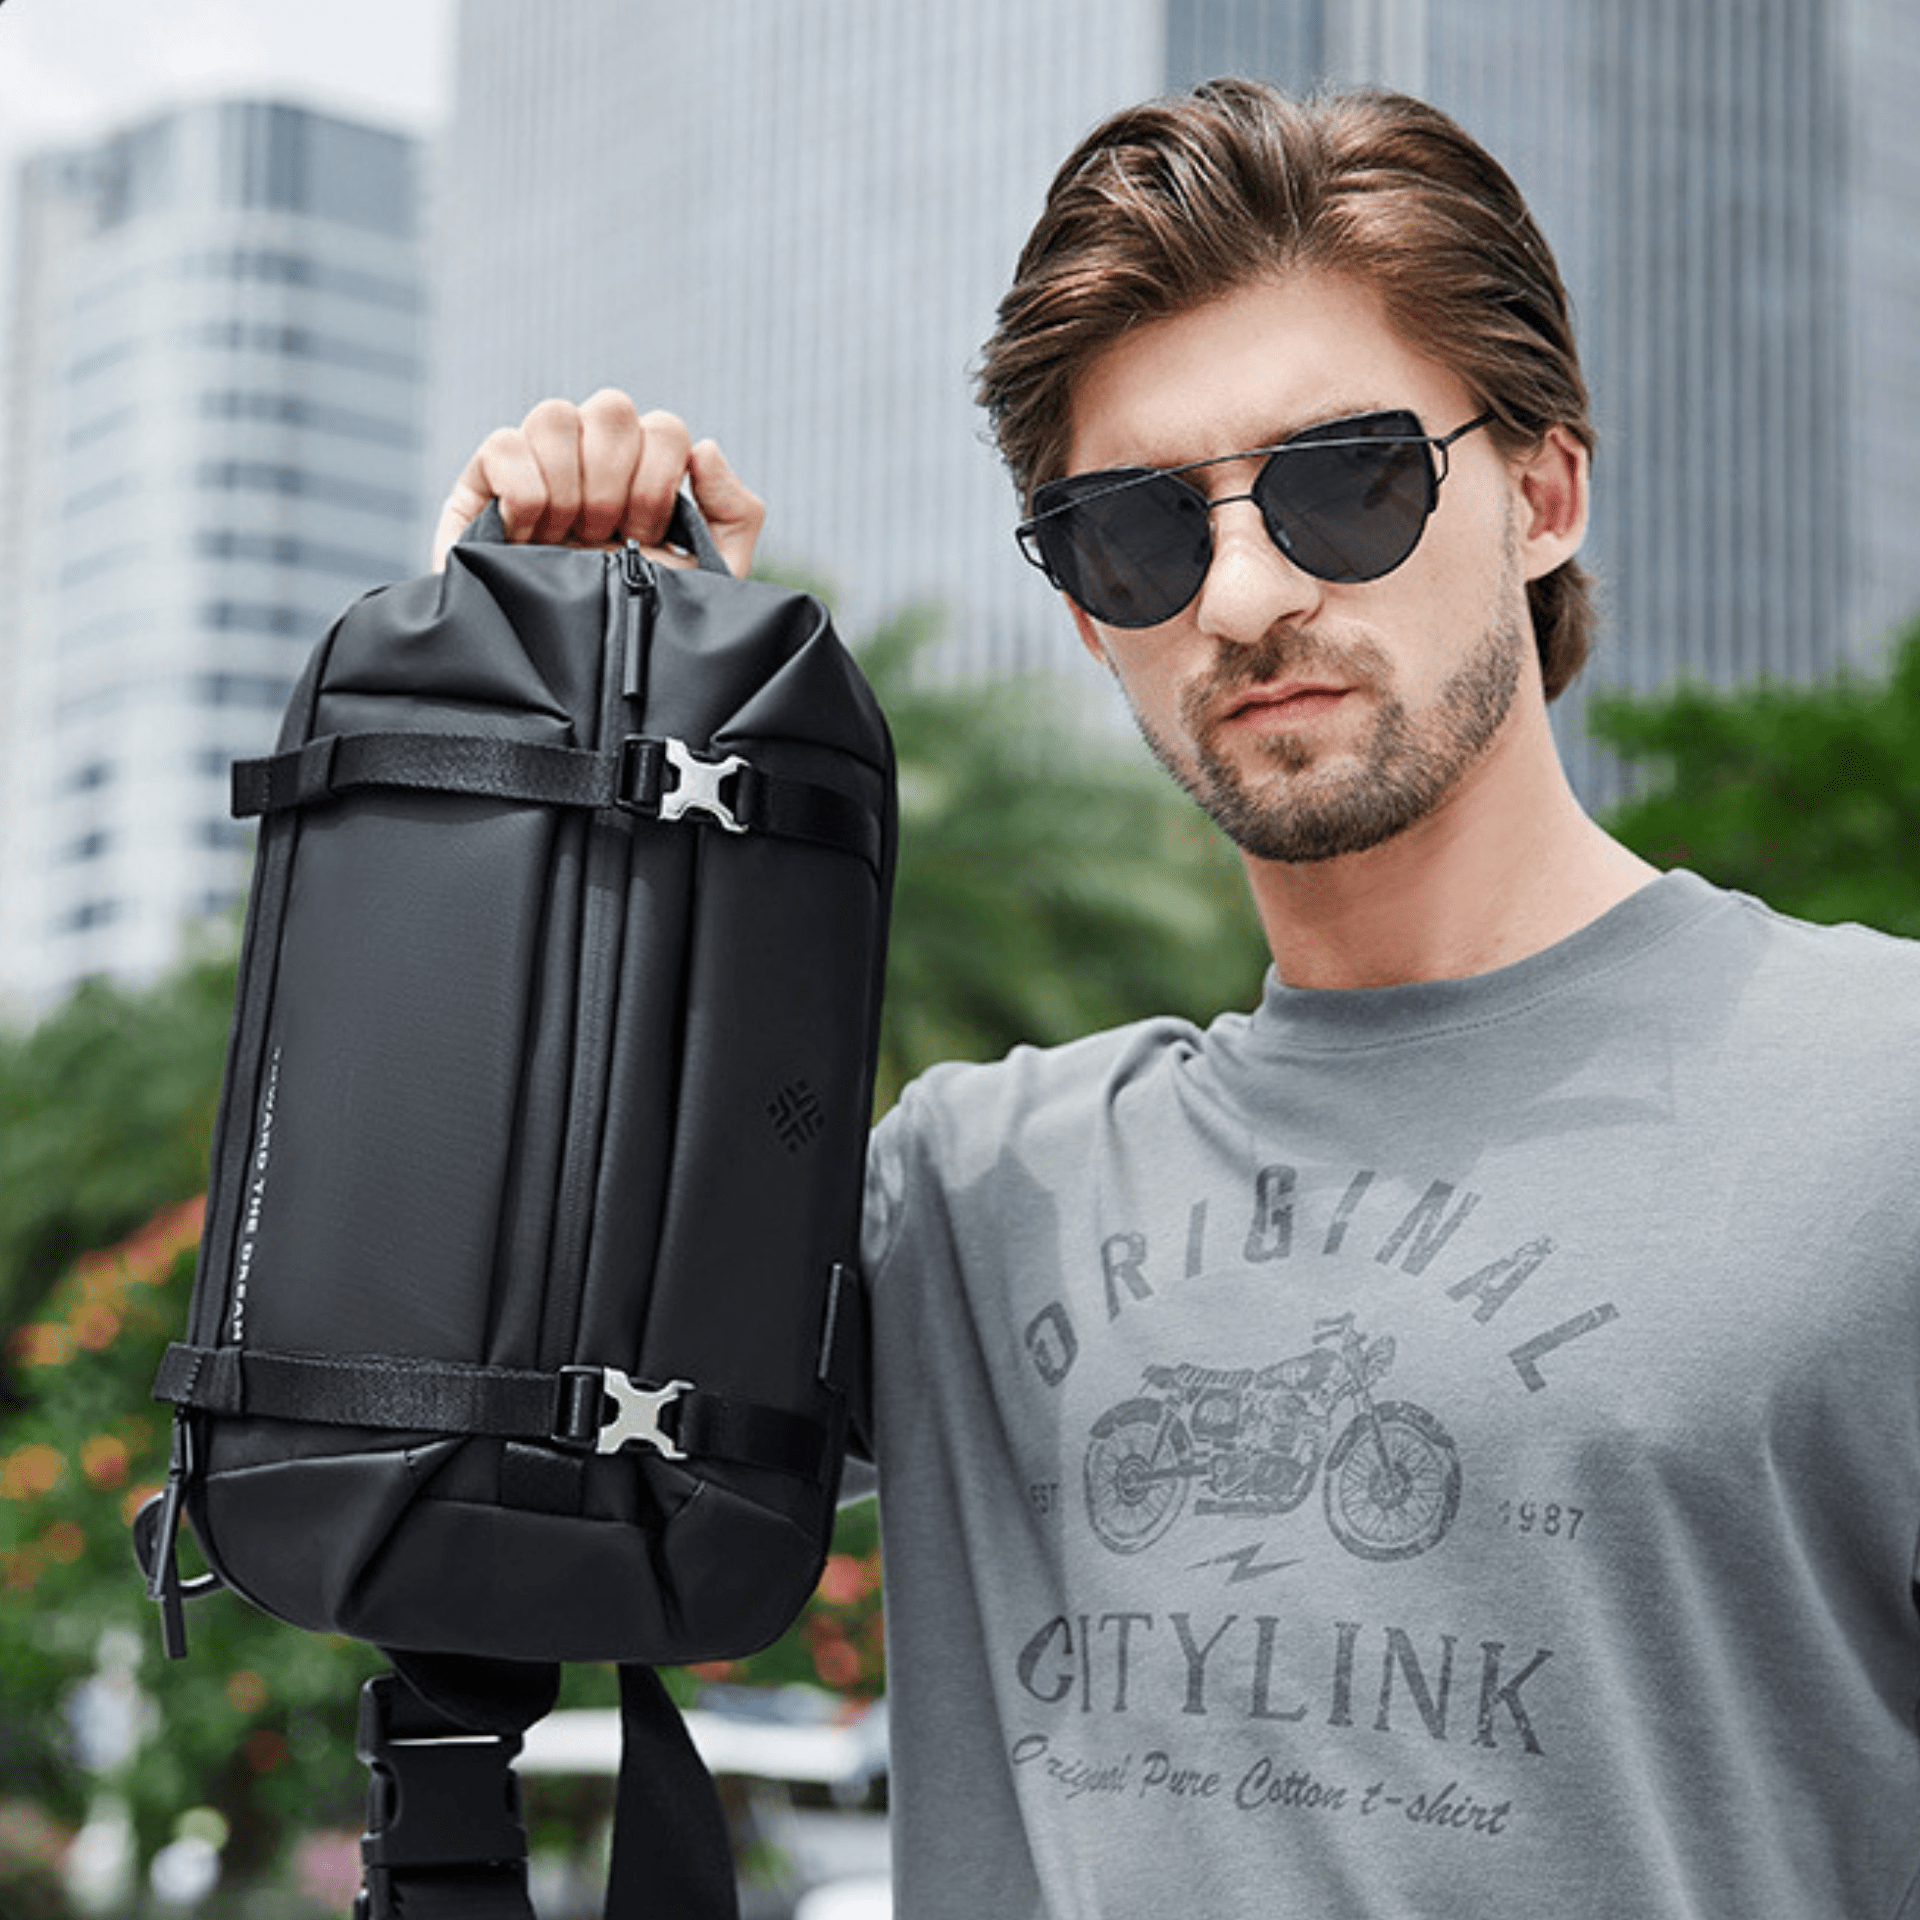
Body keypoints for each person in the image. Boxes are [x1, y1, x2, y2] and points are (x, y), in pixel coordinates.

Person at [436, 79, 1920, 1920]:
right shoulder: (967, 1199)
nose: (1243, 589)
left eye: (1348, 481)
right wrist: (552, 730)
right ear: (1083, 611)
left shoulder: (1887, 1105)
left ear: (1542, 493)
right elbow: (480, 1427)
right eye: (1137, 533)